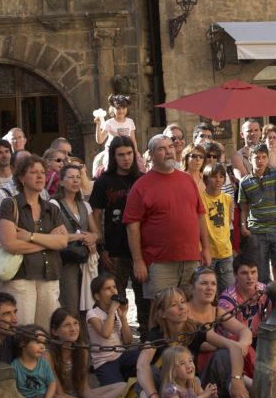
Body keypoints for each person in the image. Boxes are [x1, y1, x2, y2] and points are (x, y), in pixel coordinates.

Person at [136, 287, 269, 398]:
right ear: (162, 313)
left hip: (194, 388)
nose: (182, 307)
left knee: (222, 356)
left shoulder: (194, 329)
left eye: (183, 302)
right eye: (174, 305)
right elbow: (141, 366)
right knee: (148, 375)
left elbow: (233, 348)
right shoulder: (157, 335)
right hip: (168, 396)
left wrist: (236, 379)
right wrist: (153, 396)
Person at [123, 134, 210, 296]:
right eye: (162, 149)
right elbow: (132, 226)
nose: (169, 151)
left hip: (190, 259)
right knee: (161, 312)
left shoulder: (187, 179)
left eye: (170, 147)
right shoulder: (141, 186)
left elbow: (200, 215)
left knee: (188, 310)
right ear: (151, 154)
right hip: (159, 262)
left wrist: (205, 248)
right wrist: (138, 261)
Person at [0, 155, 68, 326]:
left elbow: (63, 242)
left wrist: (30, 237)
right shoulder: (10, 205)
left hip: (49, 276)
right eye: (33, 172)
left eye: (42, 172)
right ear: (21, 177)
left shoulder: (51, 208)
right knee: (23, 330)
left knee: (46, 331)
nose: (40, 176)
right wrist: (48, 242)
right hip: (20, 277)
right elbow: (10, 244)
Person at [89, 136, 147, 338]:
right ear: (113, 156)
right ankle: (117, 341)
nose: (126, 158)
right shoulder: (103, 181)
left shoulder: (142, 179)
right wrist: (101, 247)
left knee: (144, 299)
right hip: (114, 250)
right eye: (121, 154)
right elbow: (95, 216)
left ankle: (146, 339)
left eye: (129, 153)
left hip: (141, 250)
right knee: (115, 298)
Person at [46, 307, 125, 398]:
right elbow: (60, 394)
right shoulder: (48, 355)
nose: (73, 329)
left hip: (78, 396)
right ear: (54, 331)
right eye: (67, 325)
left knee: (122, 386)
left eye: (75, 323)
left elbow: (83, 388)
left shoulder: (82, 350)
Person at [185, 266, 255, 381]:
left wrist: (241, 344)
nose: (209, 288)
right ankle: (250, 383)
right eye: (204, 283)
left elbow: (244, 330)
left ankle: (257, 377)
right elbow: (197, 345)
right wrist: (231, 345)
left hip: (220, 354)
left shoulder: (216, 310)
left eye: (213, 284)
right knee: (227, 350)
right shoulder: (184, 311)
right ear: (192, 288)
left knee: (238, 341)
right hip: (196, 362)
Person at [238, 142, 276, 285]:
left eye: (263, 157)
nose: (260, 160)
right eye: (256, 158)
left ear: (267, 158)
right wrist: (243, 227)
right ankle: (267, 303)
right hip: (256, 232)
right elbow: (244, 208)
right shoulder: (244, 182)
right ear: (250, 159)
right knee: (261, 275)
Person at [52, 163, 100, 317]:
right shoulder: (54, 205)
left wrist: (93, 237)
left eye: (78, 177)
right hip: (65, 260)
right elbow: (54, 236)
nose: (75, 181)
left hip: (85, 260)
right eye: (71, 177)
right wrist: (81, 236)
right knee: (70, 304)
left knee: (88, 306)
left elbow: (97, 232)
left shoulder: (85, 205)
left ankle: (86, 340)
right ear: (60, 181)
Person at [86, 273, 137, 384]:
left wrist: (123, 318)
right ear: (98, 296)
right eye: (107, 288)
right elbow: (106, 333)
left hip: (121, 356)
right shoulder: (92, 314)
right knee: (118, 389)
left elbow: (128, 341)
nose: (113, 291)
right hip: (104, 362)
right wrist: (112, 310)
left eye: (114, 287)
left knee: (146, 359)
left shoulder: (117, 313)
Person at [201, 161, 234, 292]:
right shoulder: (200, 199)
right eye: (214, 176)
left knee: (228, 293)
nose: (218, 180)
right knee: (207, 292)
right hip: (207, 252)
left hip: (225, 251)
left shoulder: (227, 198)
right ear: (206, 178)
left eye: (221, 176)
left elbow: (227, 223)